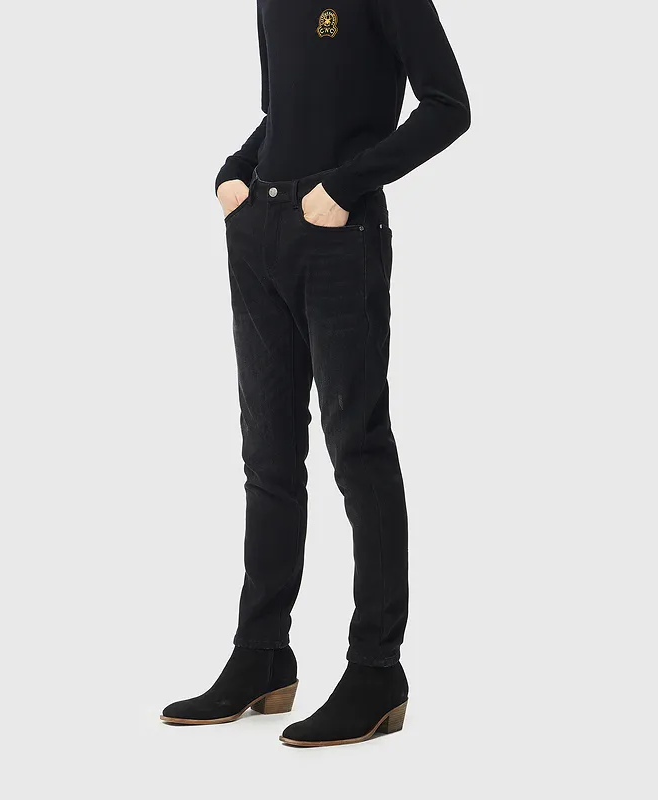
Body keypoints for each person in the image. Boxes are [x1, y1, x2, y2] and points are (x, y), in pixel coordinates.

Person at [162, 0, 469, 747]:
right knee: (267, 457)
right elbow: (285, 113)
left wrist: (344, 186)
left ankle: (377, 669)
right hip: (258, 231)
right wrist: (235, 173)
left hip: (340, 236)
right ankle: (262, 654)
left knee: (358, 450)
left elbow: (448, 107)